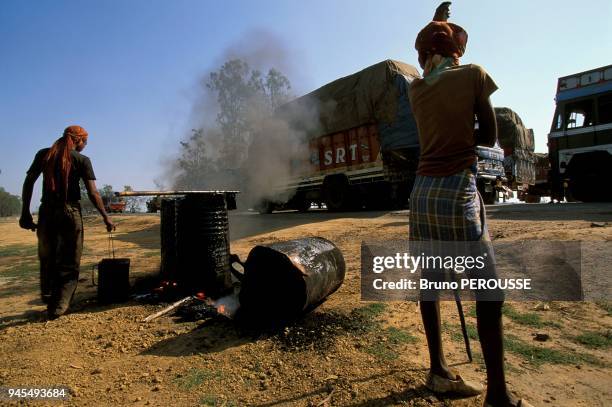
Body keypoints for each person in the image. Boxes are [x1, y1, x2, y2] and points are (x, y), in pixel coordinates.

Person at [407, 4, 532, 407]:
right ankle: (497, 394)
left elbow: (436, 70)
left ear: (424, 54)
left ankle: (439, 371)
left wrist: (435, 17)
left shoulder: (417, 88)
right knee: (489, 292)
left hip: (422, 194)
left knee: (431, 284)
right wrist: (465, 124)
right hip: (457, 190)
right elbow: (490, 134)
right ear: (456, 49)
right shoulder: (474, 75)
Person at [19, 125, 115, 320]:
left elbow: (29, 182)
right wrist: (106, 216)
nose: (85, 146)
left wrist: (25, 213)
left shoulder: (43, 154)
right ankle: (59, 305)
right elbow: (93, 192)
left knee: (48, 256)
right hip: (69, 212)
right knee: (70, 260)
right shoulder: (82, 160)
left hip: (46, 211)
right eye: (85, 142)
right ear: (78, 140)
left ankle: (49, 296)